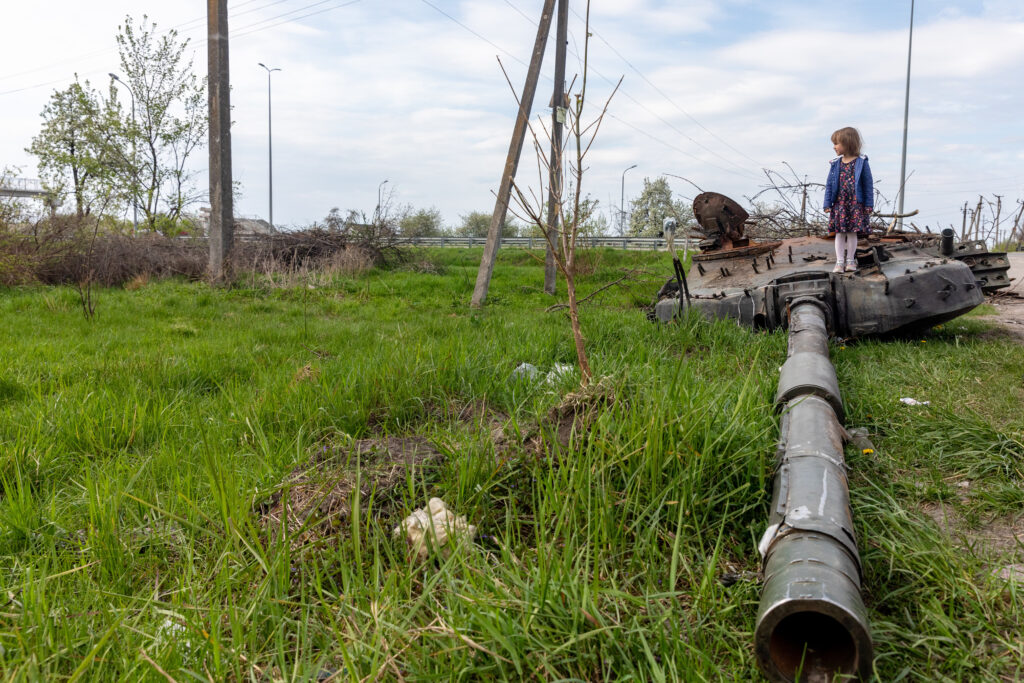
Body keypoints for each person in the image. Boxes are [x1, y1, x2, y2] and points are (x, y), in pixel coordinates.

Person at [823, 127, 874, 273]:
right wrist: (827, 203)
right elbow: (829, 185)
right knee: (839, 233)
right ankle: (839, 262)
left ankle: (850, 261)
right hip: (840, 204)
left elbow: (868, 184)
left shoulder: (862, 162)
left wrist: (869, 204)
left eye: (837, 143)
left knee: (852, 233)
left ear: (847, 143)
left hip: (855, 204)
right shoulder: (835, 164)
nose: (834, 147)